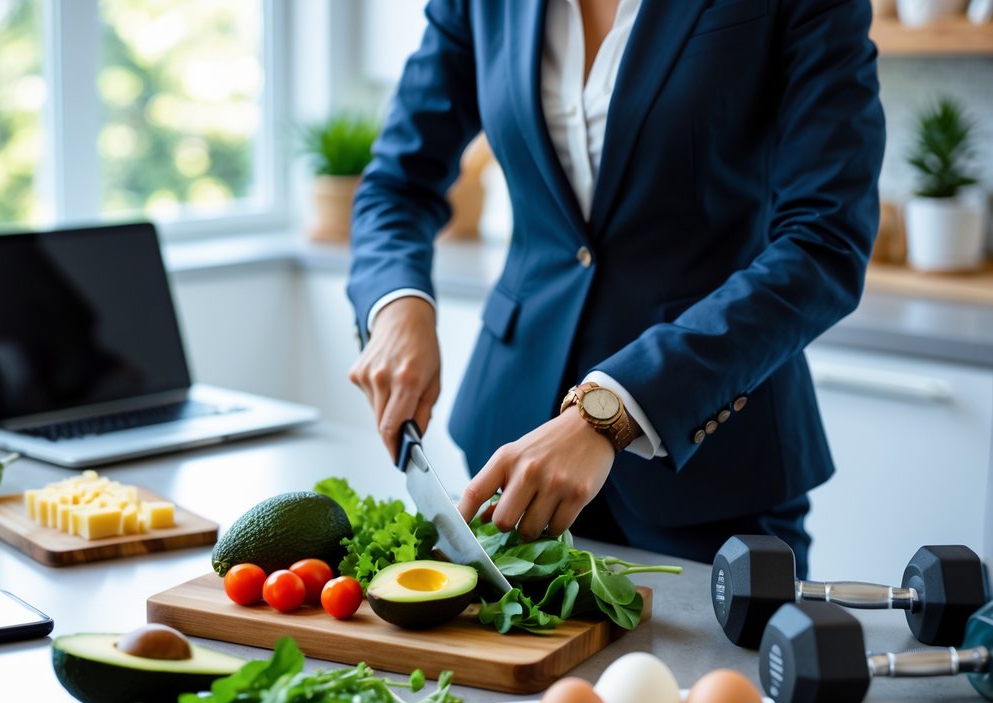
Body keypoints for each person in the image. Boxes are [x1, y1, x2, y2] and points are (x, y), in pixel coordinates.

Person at [346, 0, 885, 579]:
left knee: (713, 673)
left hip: (712, 469)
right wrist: (398, 303)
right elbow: (396, 186)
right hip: (512, 445)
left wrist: (614, 410)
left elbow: (824, 240)